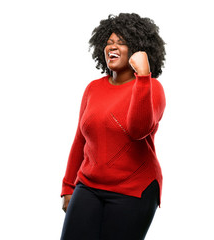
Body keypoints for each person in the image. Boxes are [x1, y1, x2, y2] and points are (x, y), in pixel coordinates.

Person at [60, 13, 166, 240]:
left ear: (138, 49)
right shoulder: (93, 88)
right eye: (108, 43)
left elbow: (138, 130)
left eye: (121, 42)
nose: (112, 47)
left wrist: (144, 77)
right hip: (88, 185)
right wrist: (69, 186)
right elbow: (80, 138)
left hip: (133, 189)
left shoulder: (152, 88)